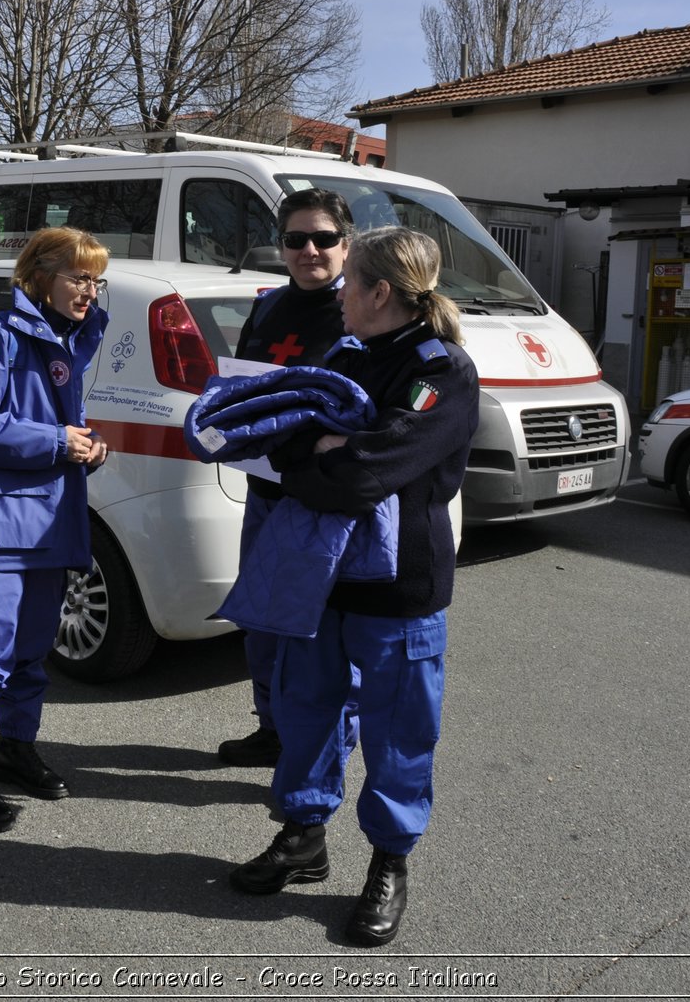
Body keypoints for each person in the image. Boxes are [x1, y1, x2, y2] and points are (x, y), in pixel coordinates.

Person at [227, 226, 478, 948]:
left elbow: (374, 468)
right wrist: (322, 453)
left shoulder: (442, 369)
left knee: (399, 731)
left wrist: (325, 457)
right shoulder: (345, 354)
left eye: (350, 281)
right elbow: (284, 436)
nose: (337, 291)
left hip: (401, 585)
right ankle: (304, 835)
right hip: (326, 577)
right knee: (307, 710)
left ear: (379, 291)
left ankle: (389, 862)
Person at [0, 226, 109, 833]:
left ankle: (13, 749)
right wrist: (58, 441)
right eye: (77, 277)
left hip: (45, 527)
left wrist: (88, 448)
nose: (89, 290)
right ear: (39, 276)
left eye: (95, 279)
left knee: (32, 653)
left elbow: (56, 428)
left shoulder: (65, 341)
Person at [217, 189, 356, 768]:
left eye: (323, 238)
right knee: (262, 626)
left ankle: (326, 753)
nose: (310, 250)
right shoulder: (269, 305)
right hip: (265, 490)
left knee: (321, 638)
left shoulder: (364, 309)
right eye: (296, 239)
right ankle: (273, 730)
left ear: (346, 245)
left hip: (323, 502)